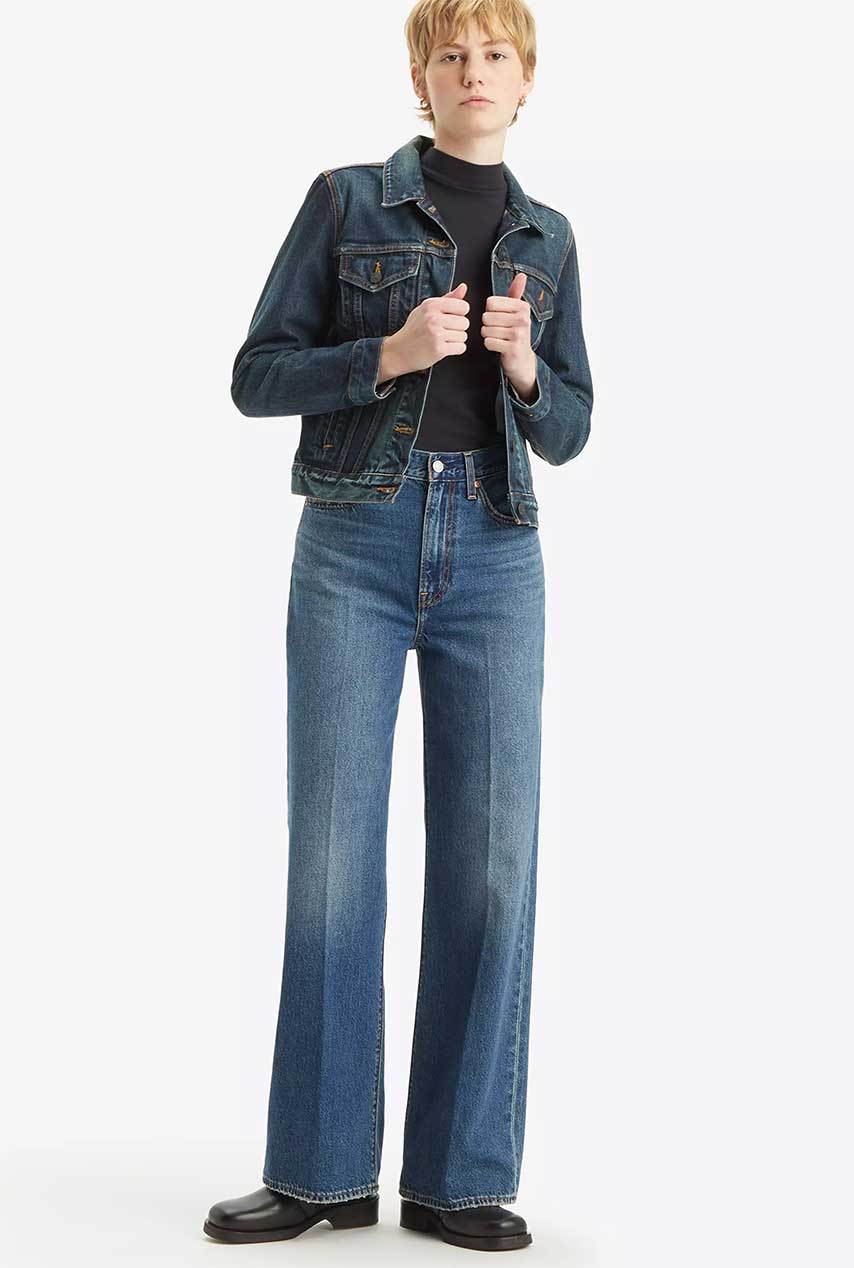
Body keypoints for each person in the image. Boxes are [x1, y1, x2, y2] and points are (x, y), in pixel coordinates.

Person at [204, 0, 593, 1252]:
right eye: (450, 54)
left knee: (492, 863)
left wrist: (525, 371)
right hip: (355, 543)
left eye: (494, 54)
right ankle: (319, 1170)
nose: (472, 71)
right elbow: (256, 373)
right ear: (419, 79)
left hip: (496, 551)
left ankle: (456, 1178)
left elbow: (572, 424)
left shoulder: (548, 236)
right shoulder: (344, 201)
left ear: (524, 82)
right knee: (332, 856)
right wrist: (384, 352)